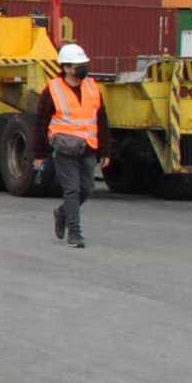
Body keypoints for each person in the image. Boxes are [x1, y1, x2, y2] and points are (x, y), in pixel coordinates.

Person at [35, 42, 110, 248]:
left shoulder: (92, 87)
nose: (82, 68)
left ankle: (61, 212)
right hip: (64, 147)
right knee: (72, 190)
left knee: (86, 188)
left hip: (88, 147)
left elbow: (102, 120)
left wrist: (105, 150)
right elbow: (41, 122)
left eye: (83, 64)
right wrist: (39, 154)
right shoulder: (53, 89)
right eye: (78, 65)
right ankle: (75, 233)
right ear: (66, 68)